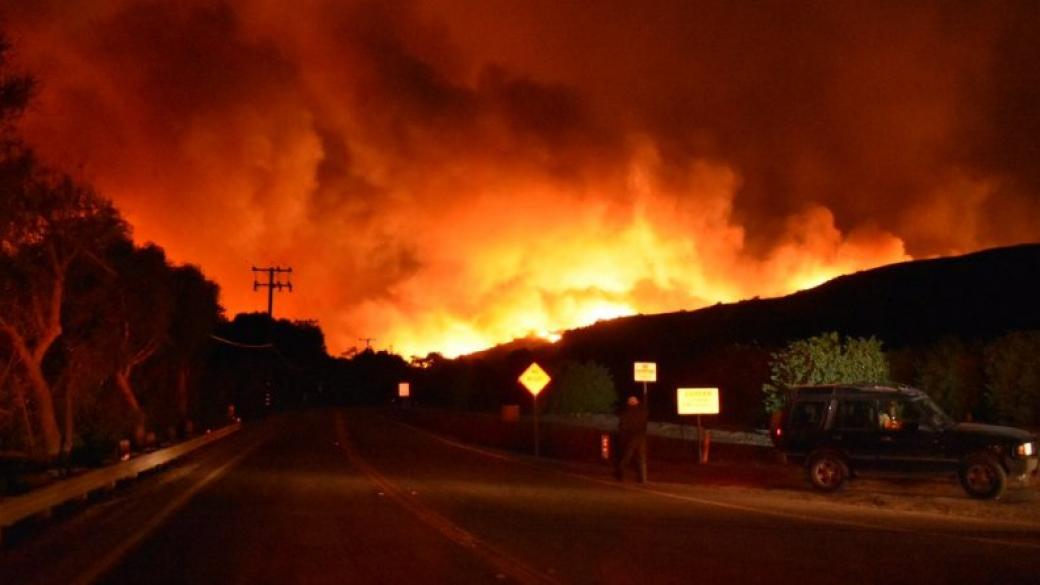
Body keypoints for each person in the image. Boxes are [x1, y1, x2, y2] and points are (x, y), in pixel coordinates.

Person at [615, 394, 648, 483]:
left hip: (631, 437)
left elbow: (623, 426)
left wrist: (622, 438)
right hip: (641, 437)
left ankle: (620, 472)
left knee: (627, 457)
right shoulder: (643, 411)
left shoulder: (626, 412)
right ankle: (643, 478)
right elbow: (644, 424)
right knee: (641, 458)